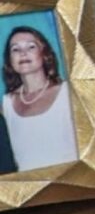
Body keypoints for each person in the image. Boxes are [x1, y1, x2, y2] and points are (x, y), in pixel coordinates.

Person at [3, 25, 78, 173]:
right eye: (15, 49)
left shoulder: (68, 93)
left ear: (45, 54)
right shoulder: (6, 104)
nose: (23, 53)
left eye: (31, 47)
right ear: (10, 60)